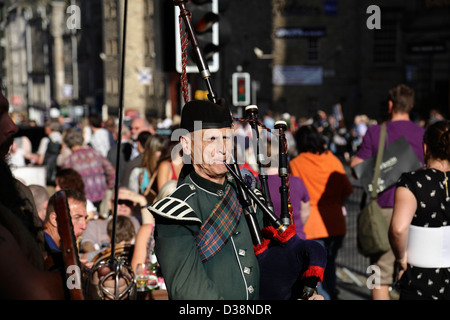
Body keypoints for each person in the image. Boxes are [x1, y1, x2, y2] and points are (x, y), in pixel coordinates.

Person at [149, 99, 323, 300]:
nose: (223, 148)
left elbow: (275, 258)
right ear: (187, 145)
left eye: (227, 138)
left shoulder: (247, 191)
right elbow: (189, 292)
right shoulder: (176, 212)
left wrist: (302, 291)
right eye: (211, 139)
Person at [0, 91, 128, 299]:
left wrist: (88, 276)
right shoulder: (92, 154)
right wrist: (79, 276)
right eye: (0, 114)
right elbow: (38, 291)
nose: (12, 127)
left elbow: (41, 259)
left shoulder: (17, 190)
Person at [350, 84, 425, 300]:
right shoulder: (422, 133)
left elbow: (356, 168)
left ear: (390, 105)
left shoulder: (376, 132)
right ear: (411, 106)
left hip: (383, 210)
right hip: (415, 211)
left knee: (378, 274)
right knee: (409, 268)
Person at [289, 124, 353, 300]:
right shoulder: (332, 160)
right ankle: (331, 294)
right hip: (335, 223)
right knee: (330, 265)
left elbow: (293, 194)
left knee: (314, 271)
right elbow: (347, 189)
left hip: (311, 225)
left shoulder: (295, 164)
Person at [389, 120, 450, 300]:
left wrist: (401, 259)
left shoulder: (412, 182)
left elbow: (398, 229)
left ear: (426, 148)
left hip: (421, 279)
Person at [80, 187, 149, 254]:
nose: (123, 206)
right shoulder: (95, 225)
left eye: (128, 202)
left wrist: (142, 201)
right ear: (110, 204)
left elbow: (151, 230)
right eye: (119, 201)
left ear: (134, 205)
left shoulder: (140, 221)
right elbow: (86, 244)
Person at [61, 128, 116, 211]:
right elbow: (110, 170)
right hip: (100, 192)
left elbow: (64, 181)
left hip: (82, 197)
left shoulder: (69, 160)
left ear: (68, 144)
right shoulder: (95, 153)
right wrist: (110, 186)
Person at [128, 134, 168, 203]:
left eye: (164, 150)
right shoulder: (137, 172)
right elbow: (132, 201)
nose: (162, 154)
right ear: (151, 151)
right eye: (159, 150)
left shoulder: (168, 170)